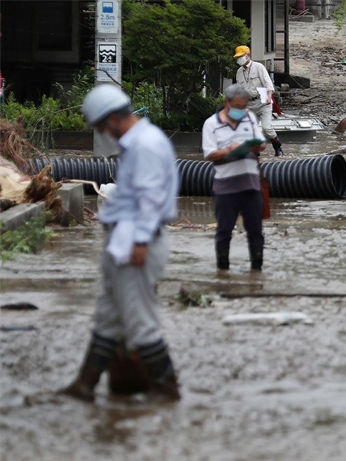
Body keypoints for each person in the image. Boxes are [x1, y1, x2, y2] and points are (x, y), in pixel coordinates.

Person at [59, 83, 181, 403]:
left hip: (136, 242)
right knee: (108, 317)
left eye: (101, 126)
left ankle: (167, 388)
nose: (103, 133)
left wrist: (140, 241)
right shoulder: (136, 143)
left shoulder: (145, 145)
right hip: (123, 240)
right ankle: (84, 386)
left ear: (112, 119)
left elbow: (152, 199)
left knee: (140, 320)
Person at [202, 83, 266, 272]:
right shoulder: (211, 124)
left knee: (255, 232)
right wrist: (228, 150)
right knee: (224, 232)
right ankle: (223, 272)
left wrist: (254, 146)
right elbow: (209, 154)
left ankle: (257, 272)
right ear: (226, 103)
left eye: (243, 106)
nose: (241, 110)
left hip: (251, 185)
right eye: (237, 106)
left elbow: (261, 144)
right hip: (225, 188)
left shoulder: (250, 118)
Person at [233, 45, 283, 157]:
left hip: (263, 102)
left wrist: (269, 97)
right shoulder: (239, 72)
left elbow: (268, 83)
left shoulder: (258, 67)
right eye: (238, 57)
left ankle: (277, 145)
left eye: (241, 56)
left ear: (248, 55)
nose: (239, 59)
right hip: (249, 104)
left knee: (266, 128)